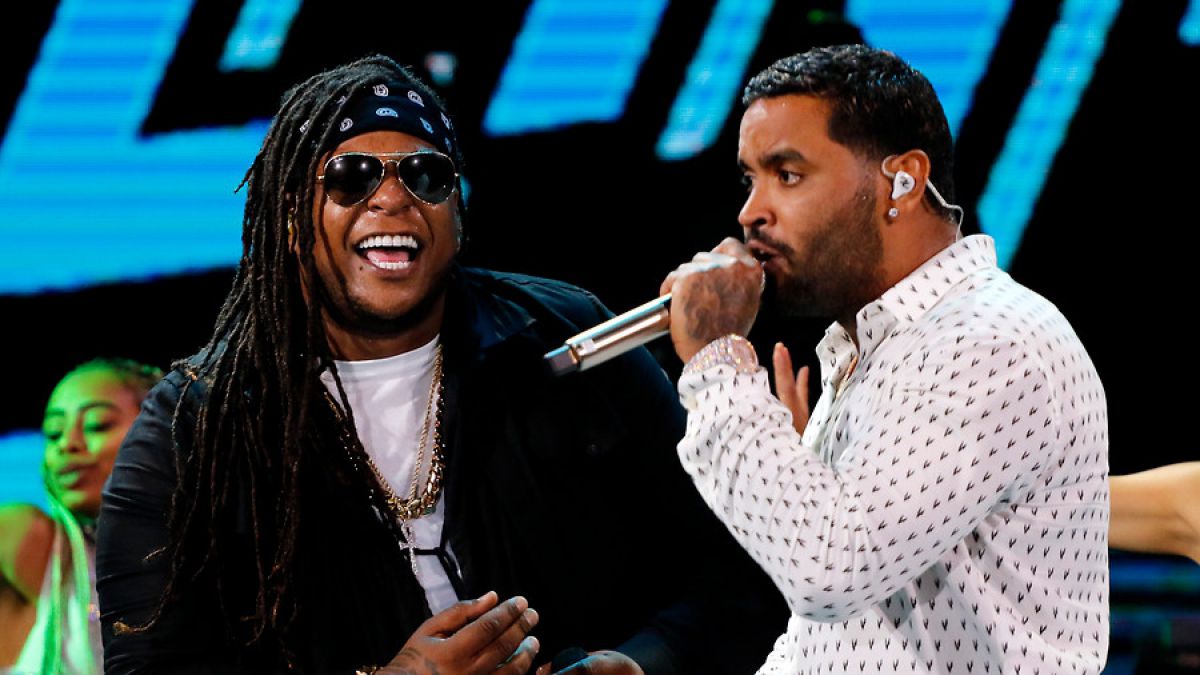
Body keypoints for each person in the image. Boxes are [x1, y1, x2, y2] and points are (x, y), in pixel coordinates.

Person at [96, 54, 785, 675]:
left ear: (457, 212)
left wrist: (639, 664)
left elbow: (739, 567)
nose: (392, 198)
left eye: (426, 175)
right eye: (351, 177)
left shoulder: (564, 335)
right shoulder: (195, 428)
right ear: (289, 217)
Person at [659, 44, 1109, 673]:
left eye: (788, 175)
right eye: (750, 179)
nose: (750, 212)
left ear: (903, 181)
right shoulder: (882, 347)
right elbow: (834, 641)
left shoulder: (988, 342)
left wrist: (716, 361)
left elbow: (830, 572)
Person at [1, 358, 163, 675]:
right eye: (54, 433)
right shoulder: (34, 544)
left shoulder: (210, 560)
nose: (67, 444)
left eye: (96, 425)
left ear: (159, 435)